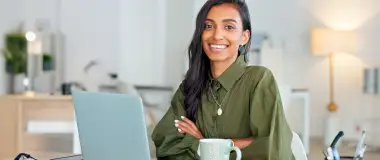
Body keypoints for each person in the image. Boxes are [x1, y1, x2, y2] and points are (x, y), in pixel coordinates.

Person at [151, 0, 295, 159]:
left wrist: (205, 144)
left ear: (244, 37)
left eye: (229, 27)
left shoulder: (258, 80)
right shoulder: (189, 87)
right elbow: (166, 144)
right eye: (208, 26)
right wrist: (237, 144)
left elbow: (272, 149)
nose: (217, 35)